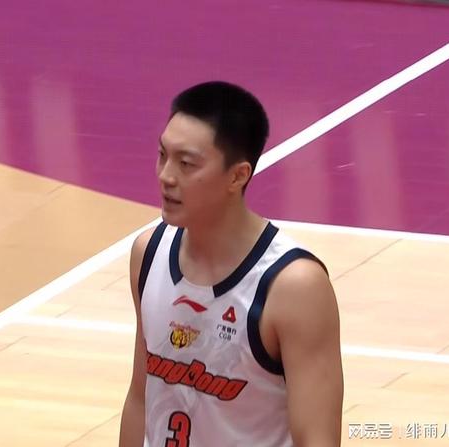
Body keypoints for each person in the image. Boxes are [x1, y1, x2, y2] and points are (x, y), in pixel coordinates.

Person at [118, 81, 343, 447]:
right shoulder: (149, 252)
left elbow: (317, 438)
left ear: (238, 176)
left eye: (186, 164)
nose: (166, 176)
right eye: (162, 155)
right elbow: (141, 399)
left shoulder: (293, 287)